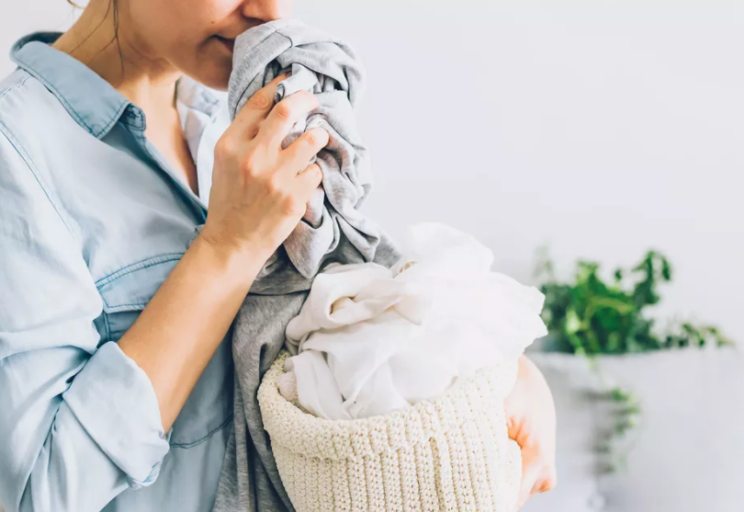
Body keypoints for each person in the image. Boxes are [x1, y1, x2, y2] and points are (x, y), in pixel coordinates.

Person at [0, 0, 557, 510]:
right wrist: (227, 249)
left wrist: (489, 359)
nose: (268, 11)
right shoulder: (16, 159)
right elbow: (37, 493)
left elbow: (332, 322)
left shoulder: (235, 118)